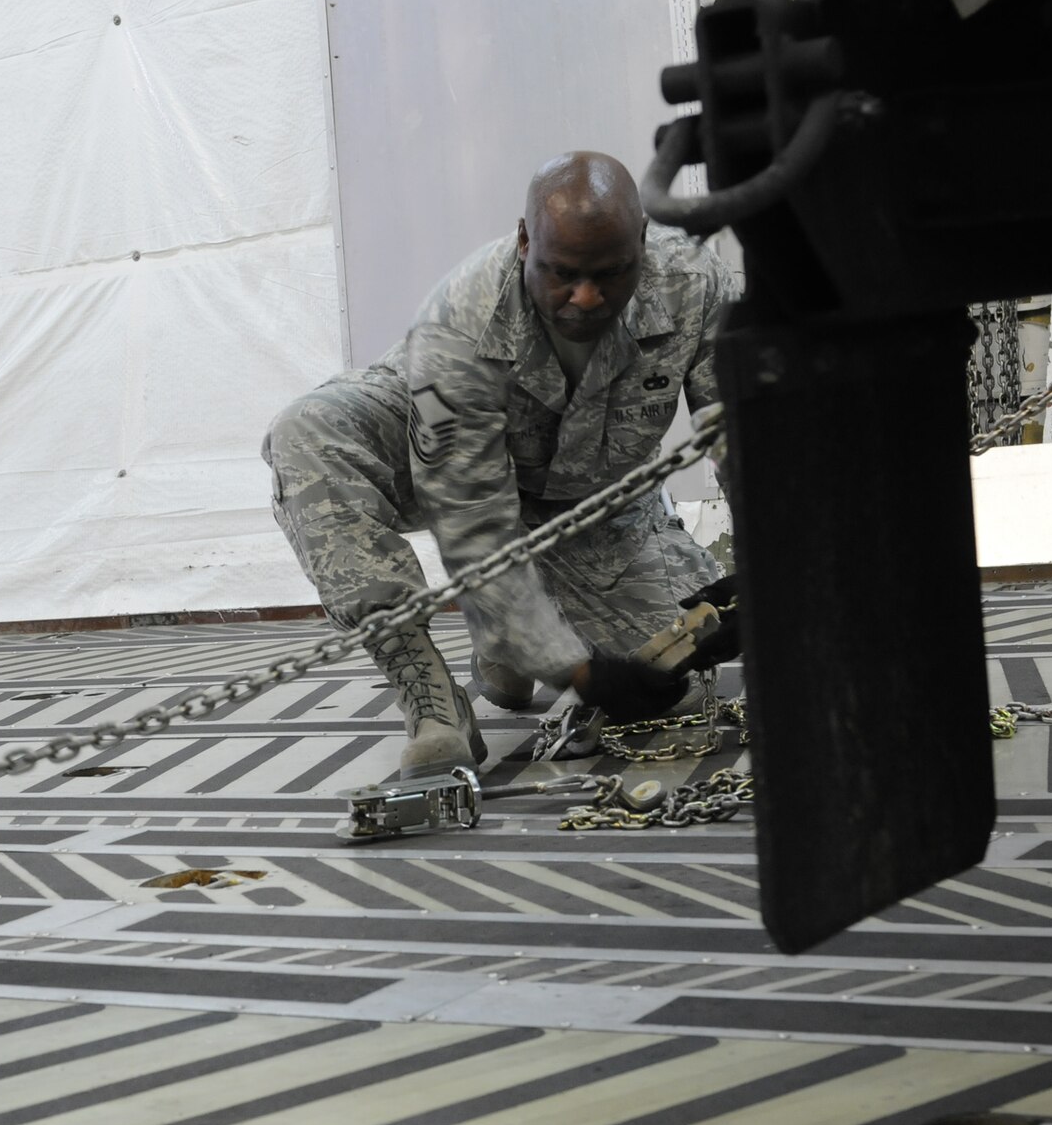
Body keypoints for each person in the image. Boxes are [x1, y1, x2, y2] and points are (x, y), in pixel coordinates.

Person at [263, 151, 739, 774]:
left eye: (612, 273)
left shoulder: (698, 286)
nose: (587, 297)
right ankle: (432, 697)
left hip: (591, 501)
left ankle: (509, 640)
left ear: (643, 245)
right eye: (562, 273)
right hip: (447, 465)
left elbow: (746, 432)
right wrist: (574, 669)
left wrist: (770, 568)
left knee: (666, 674)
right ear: (523, 242)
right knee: (309, 429)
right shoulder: (456, 324)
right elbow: (469, 512)